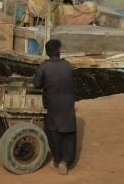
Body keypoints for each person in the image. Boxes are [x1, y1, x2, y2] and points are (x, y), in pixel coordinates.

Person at [33, 39, 77, 175]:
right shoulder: (68, 65)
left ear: (47, 52)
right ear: (59, 51)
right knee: (69, 133)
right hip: (68, 105)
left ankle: (57, 160)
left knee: (54, 133)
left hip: (52, 106)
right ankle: (66, 161)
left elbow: (36, 84)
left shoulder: (44, 67)